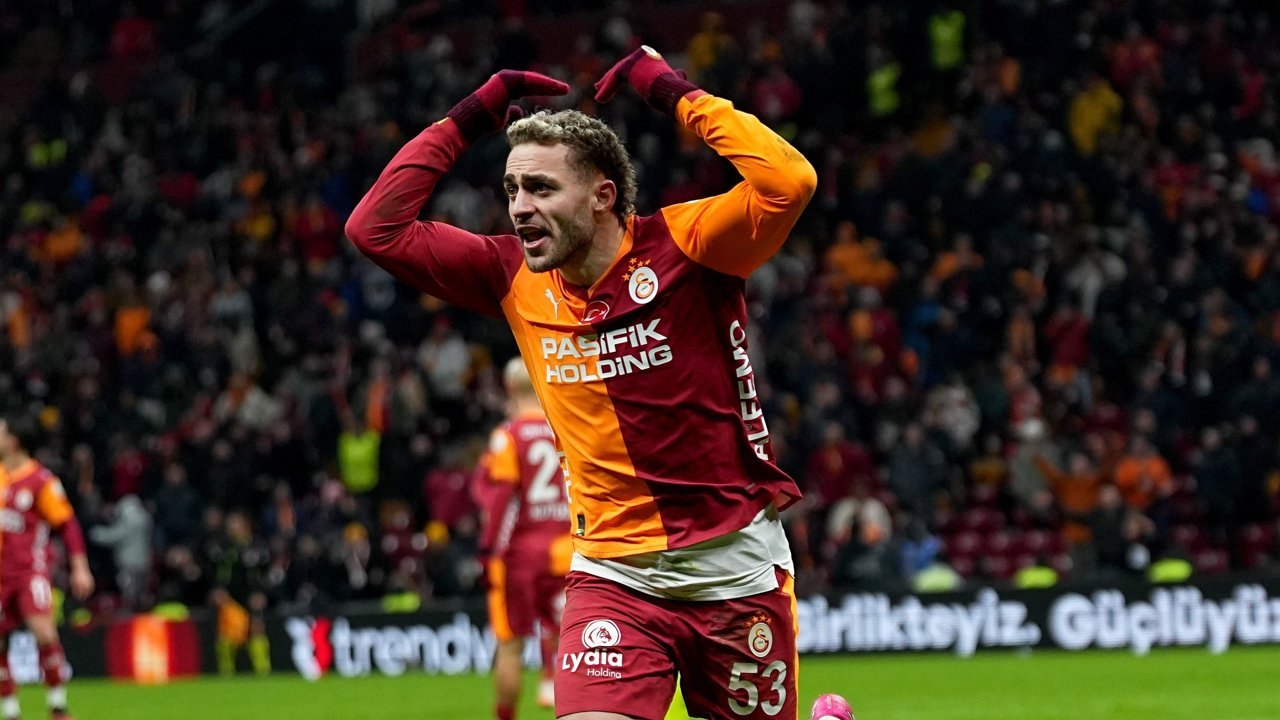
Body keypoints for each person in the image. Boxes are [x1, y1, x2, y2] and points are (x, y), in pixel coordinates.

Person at [347, 45, 852, 720]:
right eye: (512, 190)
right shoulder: (509, 276)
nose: (519, 208)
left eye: (541, 188)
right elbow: (374, 229)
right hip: (612, 577)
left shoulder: (687, 245)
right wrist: (470, 117)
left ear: (603, 195)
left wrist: (670, 90)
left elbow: (789, 181)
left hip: (733, 569)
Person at [474, 359, 574, 719]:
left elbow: (500, 499)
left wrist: (487, 550)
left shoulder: (508, 436)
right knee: (575, 646)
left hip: (521, 555)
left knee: (510, 646)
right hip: (569, 550)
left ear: (509, 389)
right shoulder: (566, 428)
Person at [0, 415, 95, 720]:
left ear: (14, 441)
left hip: (30, 570)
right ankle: (10, 712)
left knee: (44, 632)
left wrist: (80, 567)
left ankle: (58, 708)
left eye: (2, 432)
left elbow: (67, 524)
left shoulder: (41, 481)